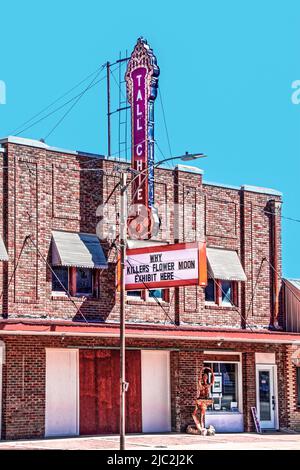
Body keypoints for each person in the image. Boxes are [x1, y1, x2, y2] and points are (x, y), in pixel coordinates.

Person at [192, 366, 215, 432]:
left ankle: (202, 426)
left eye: (206, 377)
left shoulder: (208, 385)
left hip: (205, 399)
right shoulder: (200, 384)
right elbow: (199, 379)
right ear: (202, 378)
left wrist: (212, 371)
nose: (205, 378)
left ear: (207, 378)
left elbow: (213, 380)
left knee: (202, 412)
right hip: (201, 399)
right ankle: (201, 425)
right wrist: (201, 370)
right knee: (198, 412)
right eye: (204, 377)